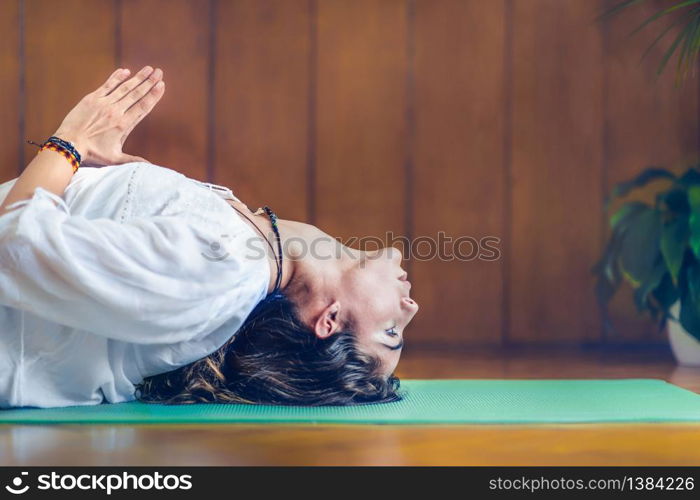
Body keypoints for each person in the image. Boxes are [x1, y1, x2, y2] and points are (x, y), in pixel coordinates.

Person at [0, 66, 419, 408]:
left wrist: (70, 142)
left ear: (328, 320)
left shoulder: (224, 269)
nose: (410, 308)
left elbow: (15, 245)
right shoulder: (235, 253)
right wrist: (115, 170)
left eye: (391, 331)